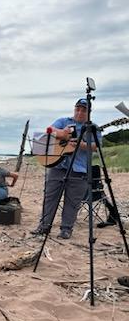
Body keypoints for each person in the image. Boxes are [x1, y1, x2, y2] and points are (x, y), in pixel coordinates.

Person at [31, 98, 101, 239]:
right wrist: (61, 133)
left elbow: (96, 146)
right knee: (50, 197)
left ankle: (66, 229)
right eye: (77, 109)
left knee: (72, 201)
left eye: (84, 110)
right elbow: (48, 130)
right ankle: (44, 226)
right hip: (58, 166)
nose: (80, 112)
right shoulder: (64, 121)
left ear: (89, 112)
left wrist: (81, 144)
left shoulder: (93, 127)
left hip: (79, 169)